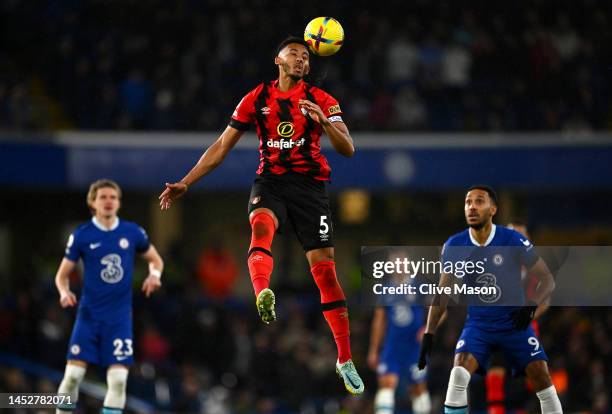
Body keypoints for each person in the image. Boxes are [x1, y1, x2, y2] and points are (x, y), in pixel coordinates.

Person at [158, 35, 364, 394]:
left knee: (326, 271)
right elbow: (222, 145)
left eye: (305, 56)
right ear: (278, 59)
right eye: (294, 54)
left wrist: (324, 123)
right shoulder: (257, 98)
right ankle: (262, 292)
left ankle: (344, 358)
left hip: (310, 188)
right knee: (261, 225)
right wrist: (186, 182)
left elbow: (348, 148)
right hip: (270, 182)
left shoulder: (322, 100)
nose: (301, 60)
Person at [418, 185, 563, 414]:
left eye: (479, 201)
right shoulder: (455, 245)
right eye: (468, 202)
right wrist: (429, 333)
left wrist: (529, 308)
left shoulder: (513, 241)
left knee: (542, 378)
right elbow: (442, 294)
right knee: (457, 376)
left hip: (515, 325)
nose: (472, 207)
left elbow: (547, 281)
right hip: (479, 325)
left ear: (493, 209)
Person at [55, 179, 164, 414]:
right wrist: (64, 292)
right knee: (73, 376)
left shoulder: (132, 232)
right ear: (92, 202)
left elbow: (156, 260)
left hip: (119, 318)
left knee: (118, 381)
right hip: (89, 316)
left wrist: (154, 275)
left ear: (119, 203)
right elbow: (62, 275)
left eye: (113, 197)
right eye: (103, 197)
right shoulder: (82, 235)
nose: (108, 201)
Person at [368, 294, 432, 414]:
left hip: (415, 348)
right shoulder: (386, 290)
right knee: (386, 385)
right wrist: (374, 350)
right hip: (392, 347)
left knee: (418, 389)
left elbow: (439, 311)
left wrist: (429, 329)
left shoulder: (421, 287)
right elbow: (378, 321)